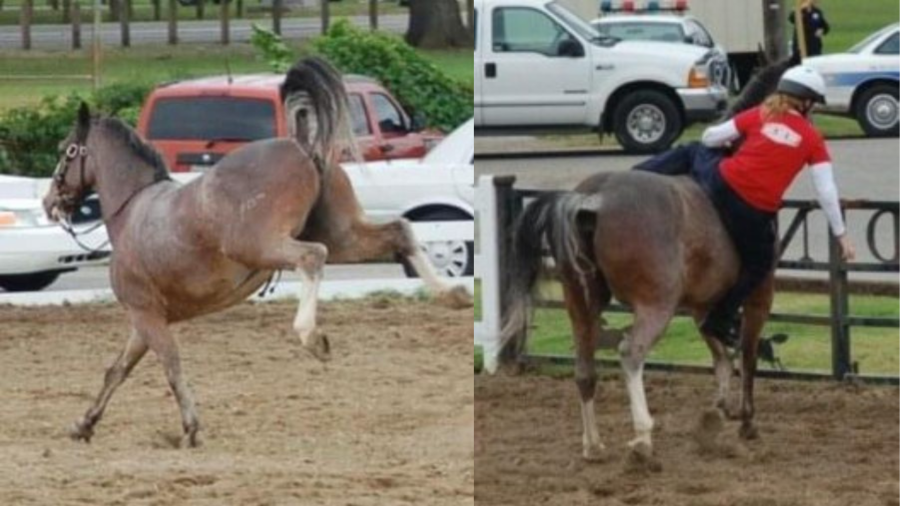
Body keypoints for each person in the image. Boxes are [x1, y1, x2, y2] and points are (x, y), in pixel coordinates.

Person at [633, 65, 856, 345]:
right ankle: (721, 317)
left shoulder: (759, 114)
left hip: (720, 183)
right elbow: (826, 190)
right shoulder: (813, 139)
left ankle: (634, 178)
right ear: (807, 102)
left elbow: (709, 138)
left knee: (692, 151)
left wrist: (733, 142)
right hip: (752, 210)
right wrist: (841, 234)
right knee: (759, 264)